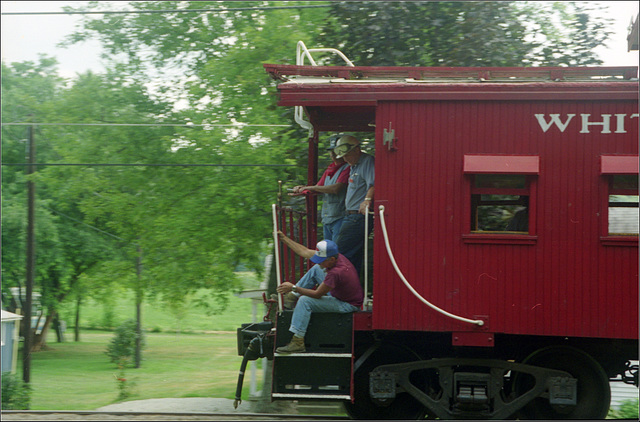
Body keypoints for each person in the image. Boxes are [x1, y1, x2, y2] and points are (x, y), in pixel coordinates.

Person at [275, 232, 363, 354]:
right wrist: (284, 239)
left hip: (347, 304)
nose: (319, 262)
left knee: (305, 301)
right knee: (317, 269)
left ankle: (298, 341)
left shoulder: (336, 273)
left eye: (321, 260)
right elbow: (305, 252)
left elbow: (317, 294)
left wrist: (294, 287)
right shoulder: (336, 257)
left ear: (332, 259)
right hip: (342, 293)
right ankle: (290, 298)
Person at [290, 135, 350, 241]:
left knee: (337, 251)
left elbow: (335, 188)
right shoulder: (330, 169)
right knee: (328, 251)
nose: (332, 154)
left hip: (340, 217)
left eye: (335, 151)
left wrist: (310, 188)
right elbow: (318, 187)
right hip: (327, 218)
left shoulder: (347, 168)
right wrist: (303, 188)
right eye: (331, 151)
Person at [332, 135, 375, 276]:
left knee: (338, 255)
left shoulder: (367, 162)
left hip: (357, 217)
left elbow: (374, 183)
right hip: (350, 215)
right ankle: (352, 294)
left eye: (347, 155)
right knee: (352, 257)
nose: (345, 159)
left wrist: (367, 200)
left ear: (357, 149)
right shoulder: (354, 166)